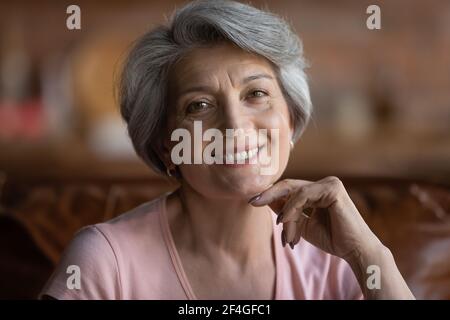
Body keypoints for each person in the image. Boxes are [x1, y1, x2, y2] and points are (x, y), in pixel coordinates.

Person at [40, 0, 414, 300]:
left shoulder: (336, 260)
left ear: (291, 120)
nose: (235, 126)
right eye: (199, 106)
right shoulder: (105, 261)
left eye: (256, 94)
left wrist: (370, 256)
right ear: (166, 145)